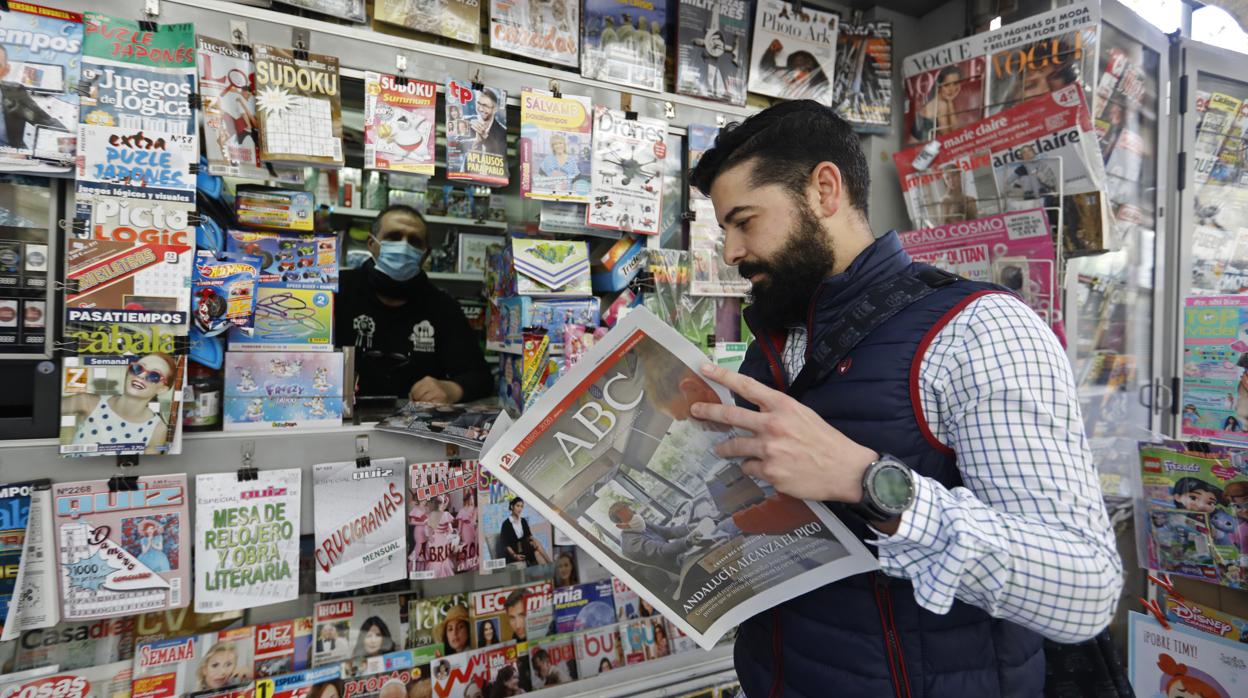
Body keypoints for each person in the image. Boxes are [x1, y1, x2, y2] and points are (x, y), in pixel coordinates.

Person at [687, 100, 1120, 696]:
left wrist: (870, 482)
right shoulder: (773, 342)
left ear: (824, 190)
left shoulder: (981, 330)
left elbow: (1086, 589)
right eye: (725, 230)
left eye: (744, 221)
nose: (732, 251)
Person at [335, 204, 492, 403]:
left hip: (414, 426)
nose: (404, 246)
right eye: (393, 237)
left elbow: (481, 377)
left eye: (414, 241)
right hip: (338, 423)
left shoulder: (443, 306)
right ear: (371, 243)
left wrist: (452, 389)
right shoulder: (337, 291)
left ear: (425, 255)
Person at [66, 352, 176, 453]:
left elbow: (149, 465)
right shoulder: (85, 402)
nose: (141, 376)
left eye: (154, 376)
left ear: (162, 389)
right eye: (138, 368)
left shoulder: (158, 429)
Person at [0, 46, 62, 152]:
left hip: (12, 158)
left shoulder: (15, 92)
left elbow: (45, 121)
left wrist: (72, 143)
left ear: (6, 70)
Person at [497, 498, 547, 566]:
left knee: (537, 548)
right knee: (536, 551)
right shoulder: (506, 524)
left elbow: (529, 535)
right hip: (514, 552)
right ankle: (550, 564)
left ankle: (549, 566)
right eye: (517, 506)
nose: (520, 509)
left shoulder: (523, 521)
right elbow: (506, 545)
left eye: (521, 506)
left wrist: (534, 541)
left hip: (525, 548)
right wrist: (514, 555)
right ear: (512, 506)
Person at [469, 88, 507, 157]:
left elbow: (501, 156)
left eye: (485, 106)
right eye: (478, 103)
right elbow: (456, 145)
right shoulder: (467, 122)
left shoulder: (502, 132)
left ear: (495, 109)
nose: (480, 109)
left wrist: (485, 137)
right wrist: (475, 142)